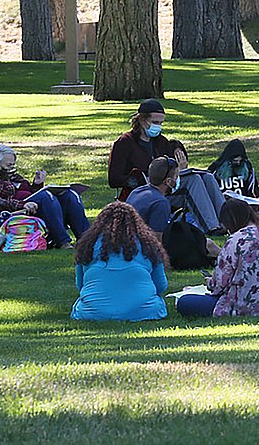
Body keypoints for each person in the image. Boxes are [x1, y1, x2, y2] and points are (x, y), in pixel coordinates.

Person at [106, 99, 225, 234]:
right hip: (143, 191)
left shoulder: (161, 142)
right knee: (193, 181)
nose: (159, 126)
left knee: (206, 177)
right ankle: (211, 227)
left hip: (166, 187)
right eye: (155, 122)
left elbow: (170, 168)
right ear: (142, 120)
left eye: (161, 123)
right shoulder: (125, 143)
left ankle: (227, 222)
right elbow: (113, 179)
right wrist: (141, 176)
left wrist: (180, 168)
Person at [176, 197, 259, 317]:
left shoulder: (236, 240)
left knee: (185, 302)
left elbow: (221, 283)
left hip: (245, 305)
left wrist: (210, 283)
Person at [0, 143, 89, 248]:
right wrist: (23, 204)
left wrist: (37, 185)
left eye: (13, 165)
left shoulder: (12, 177)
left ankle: (88, 241)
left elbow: (29, 194)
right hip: (8, 218)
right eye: (9, 166)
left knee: (69, 195)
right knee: (44, 197)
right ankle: (63, 242)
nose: (12, 168)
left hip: (30, 210)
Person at [71, 201, 169, 321]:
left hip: (92, 313)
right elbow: (161, 285)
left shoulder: (87, 246)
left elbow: (80, 285)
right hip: (144, 311)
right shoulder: (149, 246)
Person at [127, 157, 219, 258]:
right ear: (169, 182)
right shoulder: (161, 203)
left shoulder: (137, 192)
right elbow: (157, 242)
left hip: (131, 245)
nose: (178, 179)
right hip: (144, 251)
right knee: (208, 244)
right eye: (177, 176)